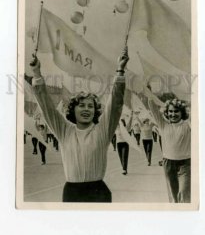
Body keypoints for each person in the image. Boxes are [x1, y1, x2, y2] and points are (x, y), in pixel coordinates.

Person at [26, 47, 129, 202]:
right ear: (73, 110)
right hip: (71, 193)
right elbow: (47, 107)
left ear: (96, 111)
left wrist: (120, 70)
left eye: (90, 106)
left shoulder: (102, 130)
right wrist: (36, 73)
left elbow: (115, 104)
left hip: (98, 192)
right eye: (81, 105)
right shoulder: (64, 130)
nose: (86, 109)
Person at [144, 85, 191, 203]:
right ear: (166, 112)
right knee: (174, 197)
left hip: (185, 164)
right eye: (170, 111)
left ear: (182, 112)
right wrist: (149, 93)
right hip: (168, 163)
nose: (173, 114)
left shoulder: (188, 125)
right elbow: (152, 107)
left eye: (176, 111)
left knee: (184, 194)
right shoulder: (163, 124)